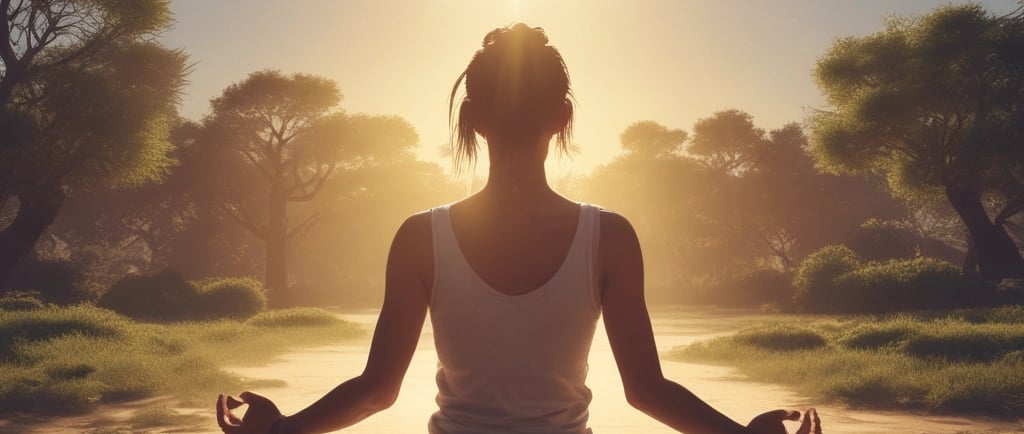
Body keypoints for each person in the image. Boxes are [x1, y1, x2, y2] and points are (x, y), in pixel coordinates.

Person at [216, 23, 823, 434]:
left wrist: (283, 429)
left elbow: (378, 389)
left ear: (474, 121)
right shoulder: (609, 236)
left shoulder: (418, 237)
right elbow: (646, 391)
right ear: (562, 117)